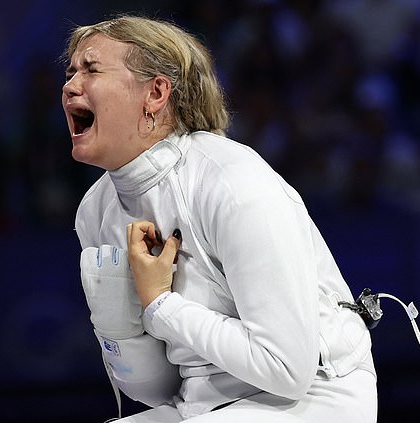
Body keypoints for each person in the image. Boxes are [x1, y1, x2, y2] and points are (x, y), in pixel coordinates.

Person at [62, 15, 377, 422]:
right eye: (70, 72)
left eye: (91, 69)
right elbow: (154, 391)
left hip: (316, 397)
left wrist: (161, 304)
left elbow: (286, 368)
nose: (70, 86)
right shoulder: (95, 211)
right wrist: (118, 323)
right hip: (200, 405)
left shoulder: (231, 182)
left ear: (155, 93)